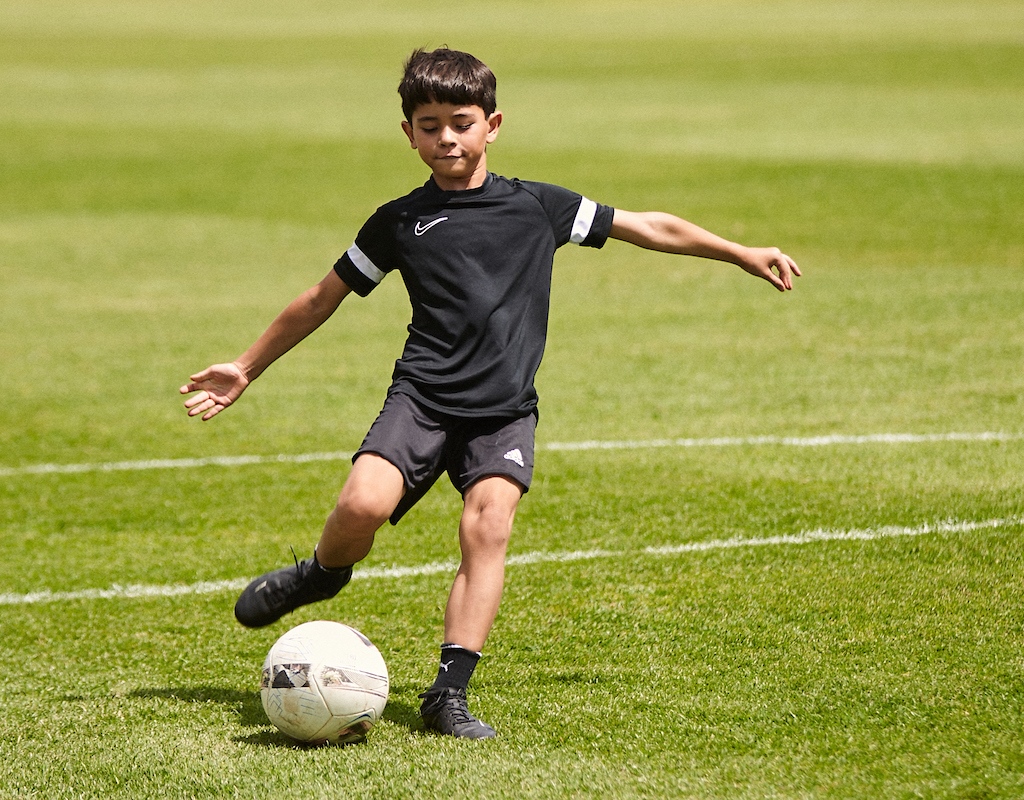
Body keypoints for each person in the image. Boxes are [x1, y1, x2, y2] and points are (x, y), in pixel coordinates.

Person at [180, 47, 800, 740]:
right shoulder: (399, 221)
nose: (446, 136)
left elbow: (648, 225)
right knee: (361, 503)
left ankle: (448, 694)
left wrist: (741, 252)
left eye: (461, 122)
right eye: (429, 124)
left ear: (492, 125)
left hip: (502, 409)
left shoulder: (539, 206)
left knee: (489, 525)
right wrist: (246, 366)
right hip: (423, 398)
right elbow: (322, 298)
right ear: (409, 133)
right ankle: (324, 574)